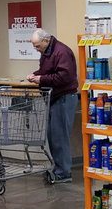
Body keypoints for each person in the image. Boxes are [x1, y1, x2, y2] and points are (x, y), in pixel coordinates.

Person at [27, 28, 79, 184]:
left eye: (37, 46)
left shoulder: (61, 52)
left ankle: (64, 172)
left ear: (45, 40)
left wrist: (41, 79)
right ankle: (58, 169)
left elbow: (64, 76)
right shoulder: (47, 52)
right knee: (53, 136)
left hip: (64, 98)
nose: (36, 49)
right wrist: (36, 75)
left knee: (60, 136)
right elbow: (47, 71)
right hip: (54, 98)